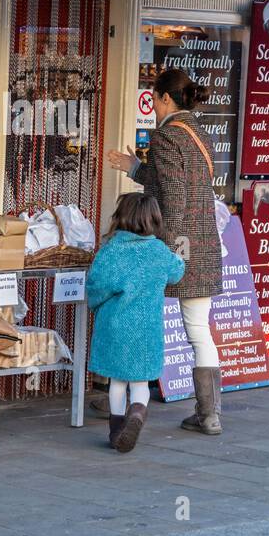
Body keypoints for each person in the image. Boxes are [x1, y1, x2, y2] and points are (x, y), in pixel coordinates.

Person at [107, 67, 225, 434]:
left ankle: (123, 395)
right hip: (204, 244)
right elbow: (177, 180)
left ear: (165, 99)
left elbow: (171, 197)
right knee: (198, 330)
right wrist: (135, 168)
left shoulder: (165, 136)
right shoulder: (199, 131)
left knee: (134, 317)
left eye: (155, 100)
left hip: (174, 245)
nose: (154, 107)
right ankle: (210, 414)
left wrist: (165, 252)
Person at [86, 193, 185, 453]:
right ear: (154, 220)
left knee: (117, 381)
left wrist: (96, 303)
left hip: (115, 325)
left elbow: (95, 286)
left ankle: (116, 430)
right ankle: (138, 414)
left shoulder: (110, 250)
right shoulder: (159, 251)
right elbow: (177, 272)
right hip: (147, 328)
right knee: (140, 382)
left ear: (121, 217)